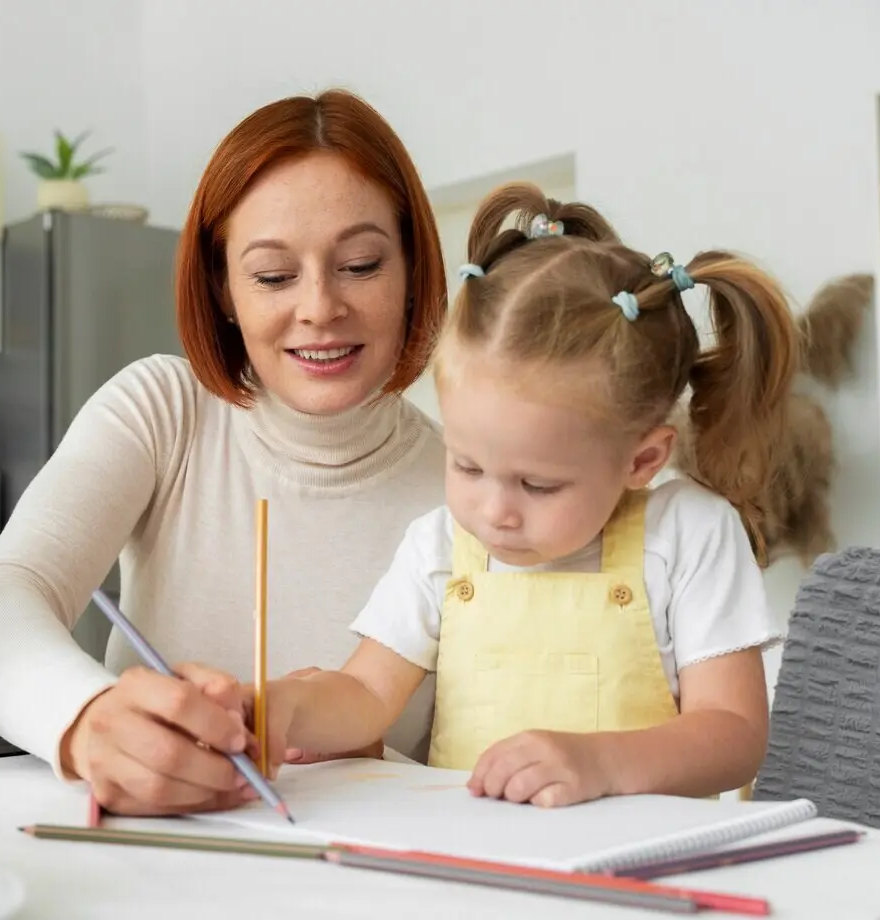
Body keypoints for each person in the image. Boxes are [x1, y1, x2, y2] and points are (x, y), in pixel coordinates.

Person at [0, 89, 449, 817]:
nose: (318, 307)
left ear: (410, 271)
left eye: (362, 264)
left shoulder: (470, 489)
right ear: (224, 290)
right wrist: (86, 721)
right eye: (274, 276)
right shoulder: (164, 408)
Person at [256, 181, 796, 808]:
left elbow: (735, 736)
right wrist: (284, 706)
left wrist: (604, 763)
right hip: (476, 868)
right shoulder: (437, 544)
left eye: (539, 484)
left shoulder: (690, 533)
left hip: (637, 876)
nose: (495, 511)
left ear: (642, 460)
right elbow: (368, 698)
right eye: (466, 466)